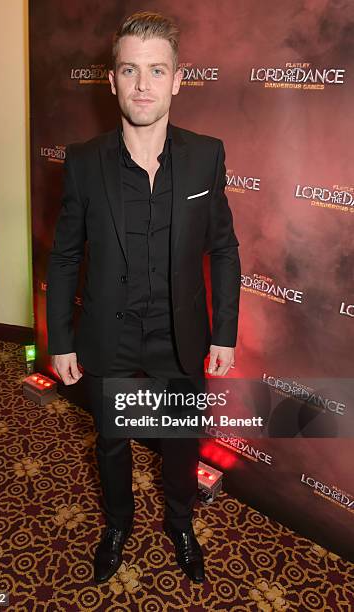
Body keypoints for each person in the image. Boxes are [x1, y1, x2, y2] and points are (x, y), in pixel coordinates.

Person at [46, 11, 241, 585]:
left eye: (157, 71)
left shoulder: (207, 155)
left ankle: (180, 522)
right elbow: (64, 258)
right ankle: (117, 524)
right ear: (112, 80)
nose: (142, 85)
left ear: (178, 80)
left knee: (182, 443)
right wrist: (60, 339)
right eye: (130, 70)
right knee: (111, 443)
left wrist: (224, 330)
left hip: (179, 338)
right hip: (108, 339)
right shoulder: (82, 162)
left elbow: (224, 249)